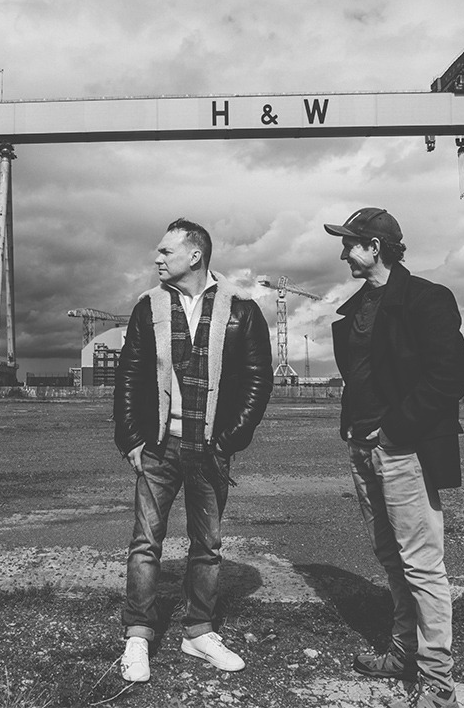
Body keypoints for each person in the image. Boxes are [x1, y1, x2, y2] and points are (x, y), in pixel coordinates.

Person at [114, 218, 273, 683]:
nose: (157, 258)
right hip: (158, 447)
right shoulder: (148, 308)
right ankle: (138, 635)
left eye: (166, 251)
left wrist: (228, 441)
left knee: (207, 545)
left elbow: (258, 380)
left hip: (210, 449)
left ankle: (198, 632)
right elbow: (129, 375)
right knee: (146, 543)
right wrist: (131, 439)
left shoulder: (241, 310)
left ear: (195, 255)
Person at [324, 207, 464, 708]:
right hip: (362, 446)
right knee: (391, 559)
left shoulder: (427, 299)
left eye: (350, 244)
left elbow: (449, 377)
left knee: (421, 564)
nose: (344, 253)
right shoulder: (356, 308)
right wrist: (357, 433)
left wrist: (393, 431)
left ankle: (438, 682)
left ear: (375, 247)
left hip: (403, 448)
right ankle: (405, 652)